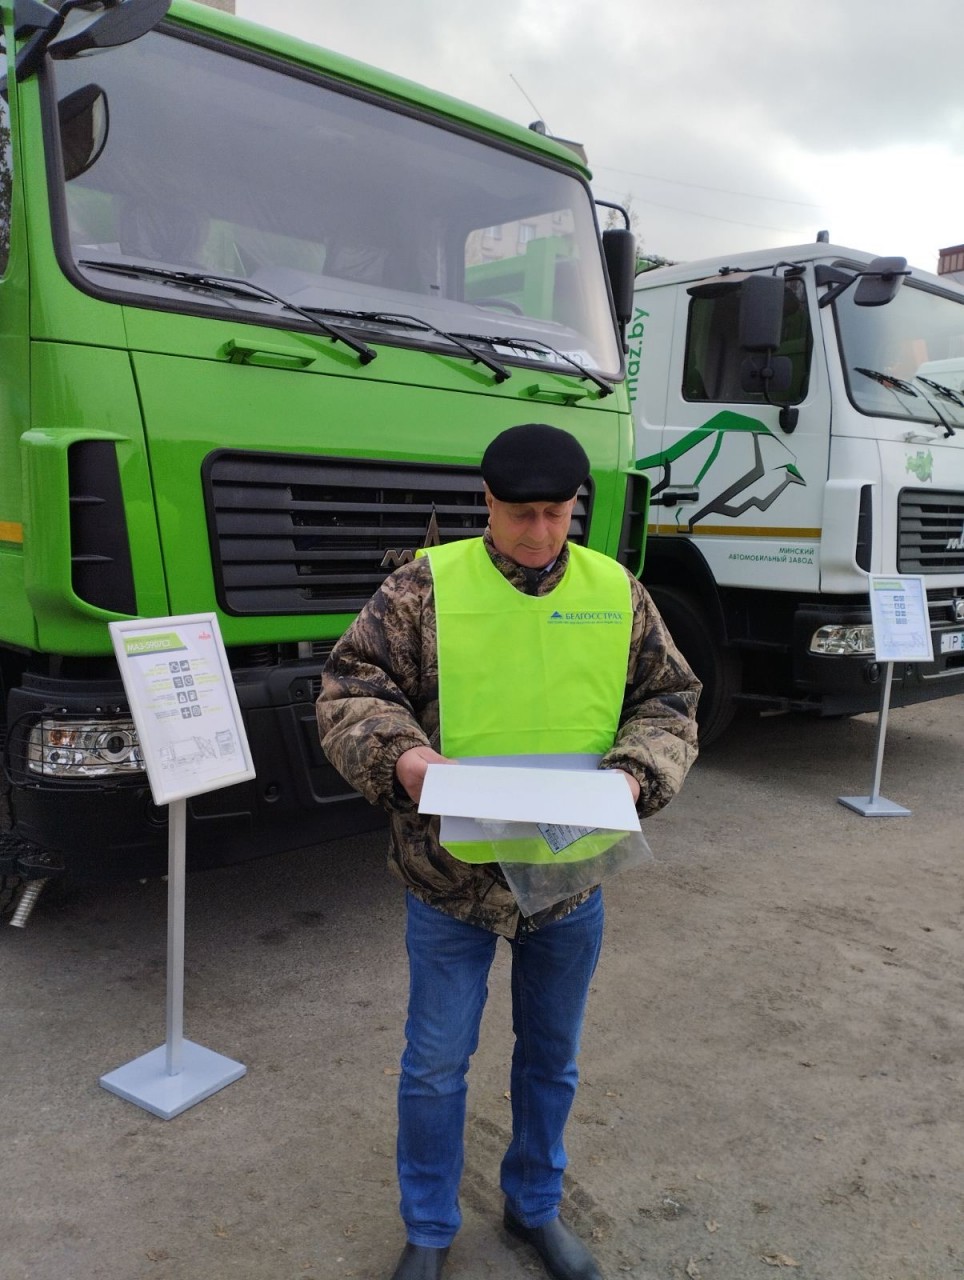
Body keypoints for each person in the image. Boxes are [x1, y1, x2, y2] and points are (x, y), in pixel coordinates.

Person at [316, 423, 700, 1280]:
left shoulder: (617, 591)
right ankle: (428, 1227)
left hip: (569, 877)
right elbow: (351, 688)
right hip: (449, 879)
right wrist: (403, 757)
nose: (540, 533)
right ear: (486, 503)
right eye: (521, 513)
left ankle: (535, 1208)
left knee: (550, 1059)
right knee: (435, 1066)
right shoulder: (422, 588)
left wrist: (636, 774)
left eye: (558, 514)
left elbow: (669, 698)